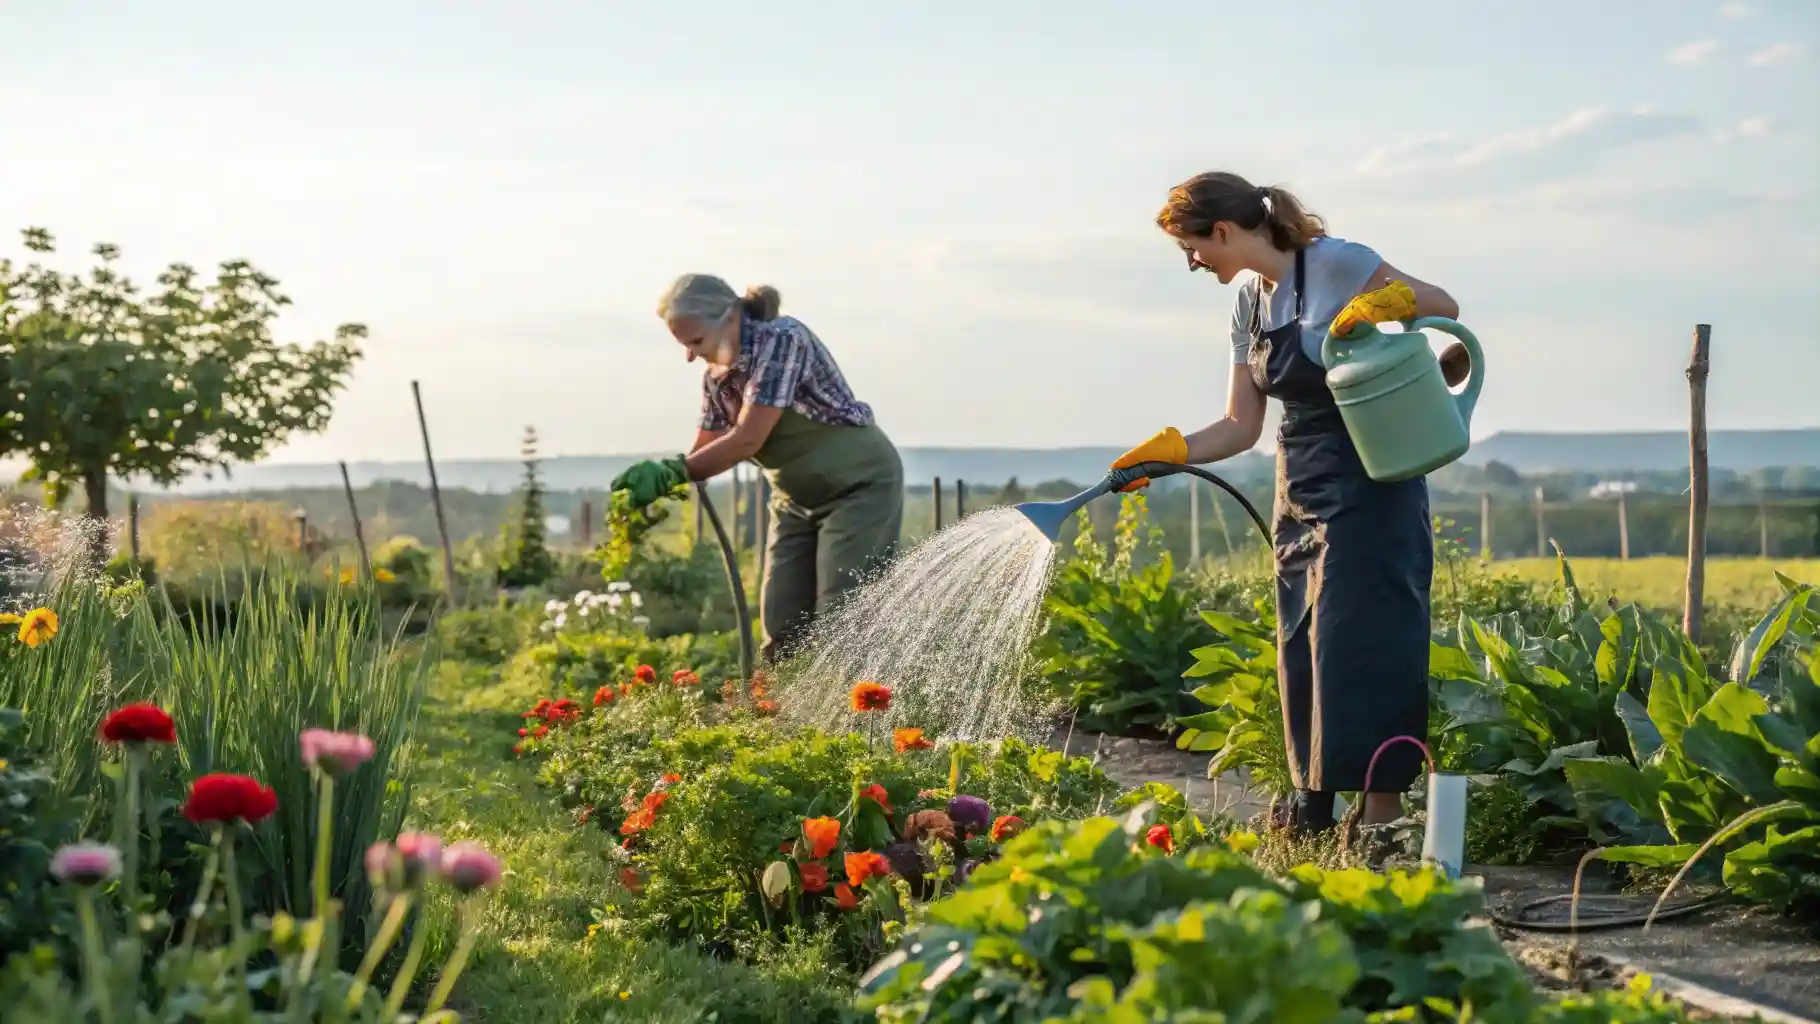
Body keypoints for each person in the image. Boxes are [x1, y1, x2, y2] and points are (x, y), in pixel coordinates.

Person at [1113, 171, 1466, 835]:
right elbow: (1240, 427)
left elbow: (1443, 305)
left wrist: (1381, 306)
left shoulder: (1338, 263)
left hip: (1372, 479)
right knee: (1303, 643)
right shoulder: (1250, 303)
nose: (1192, 262)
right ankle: (1314, 807)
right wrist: (1165, 453)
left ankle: (1382, 816)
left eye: (1191, 248)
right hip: (1298, 485)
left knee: (1364, 639)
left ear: (1222, 231)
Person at [610, 274, 905, 664]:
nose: (690, 355)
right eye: (683, 346)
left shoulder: (782, 340)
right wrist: (664, 476)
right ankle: (787, 718)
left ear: (730, 317)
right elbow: (705, 452)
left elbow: (748, 438)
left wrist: (674, 473)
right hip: (796, 499)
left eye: (695, 342)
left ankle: (863, 713)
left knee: (843, 614)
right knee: (782, 621)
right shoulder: (716, 378)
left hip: (858, 487)